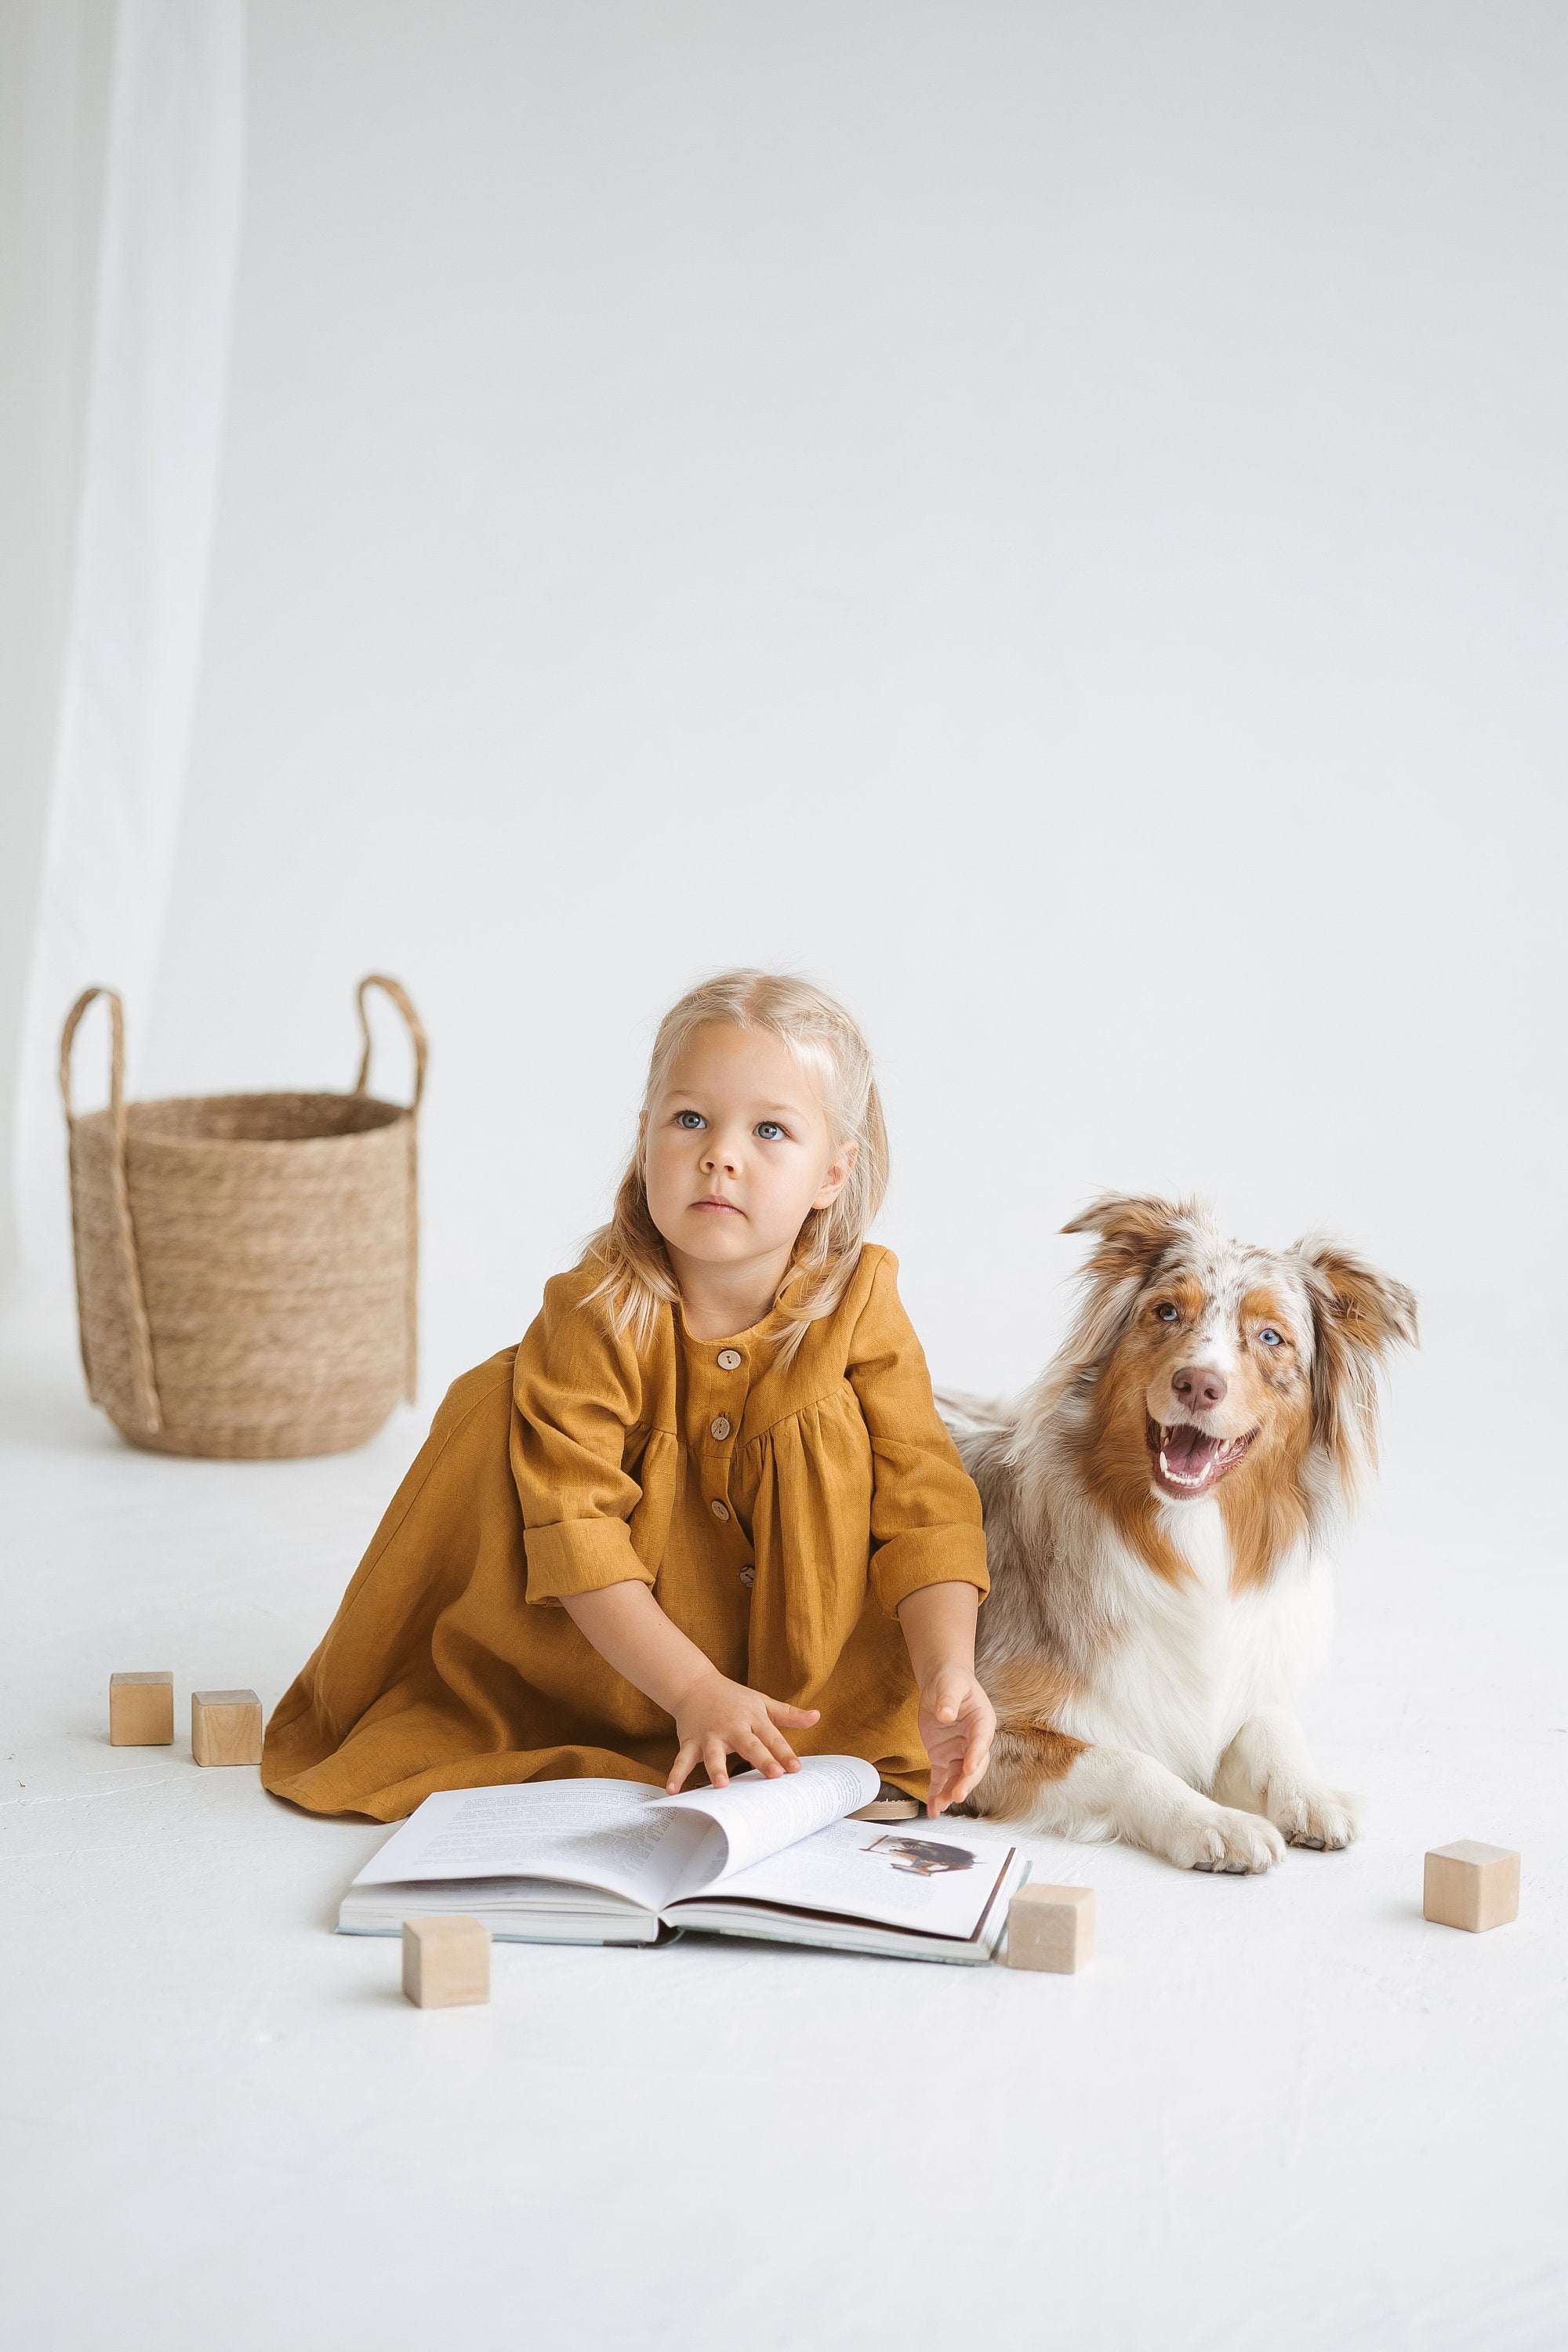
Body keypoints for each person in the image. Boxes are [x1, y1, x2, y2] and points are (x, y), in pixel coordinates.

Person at [263, 969, 995, 1823]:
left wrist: (948, 1670)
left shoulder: (861, 1304)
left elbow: (926, 1502)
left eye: (769, 1130)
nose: (721, 1152)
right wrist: (692, 1689)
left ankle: (772, 1740)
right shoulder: (595, 1311)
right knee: (494, 1398)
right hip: (616, 1681)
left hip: (816, 1697)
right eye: (690, 1120)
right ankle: (686, 1723)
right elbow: (578, 1531)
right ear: (644, 1138)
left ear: (832, 1173)